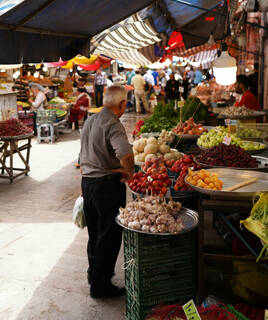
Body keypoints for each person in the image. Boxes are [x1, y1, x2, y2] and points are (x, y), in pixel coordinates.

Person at [80, 85, 134, 299]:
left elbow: (82, 154)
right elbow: (126, 155)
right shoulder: (113, 123)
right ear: (122, 104)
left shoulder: (91, 120)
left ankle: (94, 275)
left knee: (94, 235)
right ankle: (100, 286)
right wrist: (128, 171)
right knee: (109, 237)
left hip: (88, 183)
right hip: (106, 187)